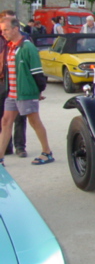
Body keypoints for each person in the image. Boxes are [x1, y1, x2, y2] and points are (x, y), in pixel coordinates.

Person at [0, 17, 52, 167]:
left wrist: (38, 91)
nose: (3, 33)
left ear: (16, 29)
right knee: (5, 122)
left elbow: (38, 73)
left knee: (34, 121)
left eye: (6, 30)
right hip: (13, 94)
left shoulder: (28, 48)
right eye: (2, 30)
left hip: (25, 93)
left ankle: (47, 152)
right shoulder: (10, 47)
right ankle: (0, 157)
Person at [0, 10, 29, 158]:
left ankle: (20, 146)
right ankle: (6, 146)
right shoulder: (1, 38)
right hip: (2, 81)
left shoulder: (24, 40)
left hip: (18, 82)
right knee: (3, 117)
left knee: (20, 116)